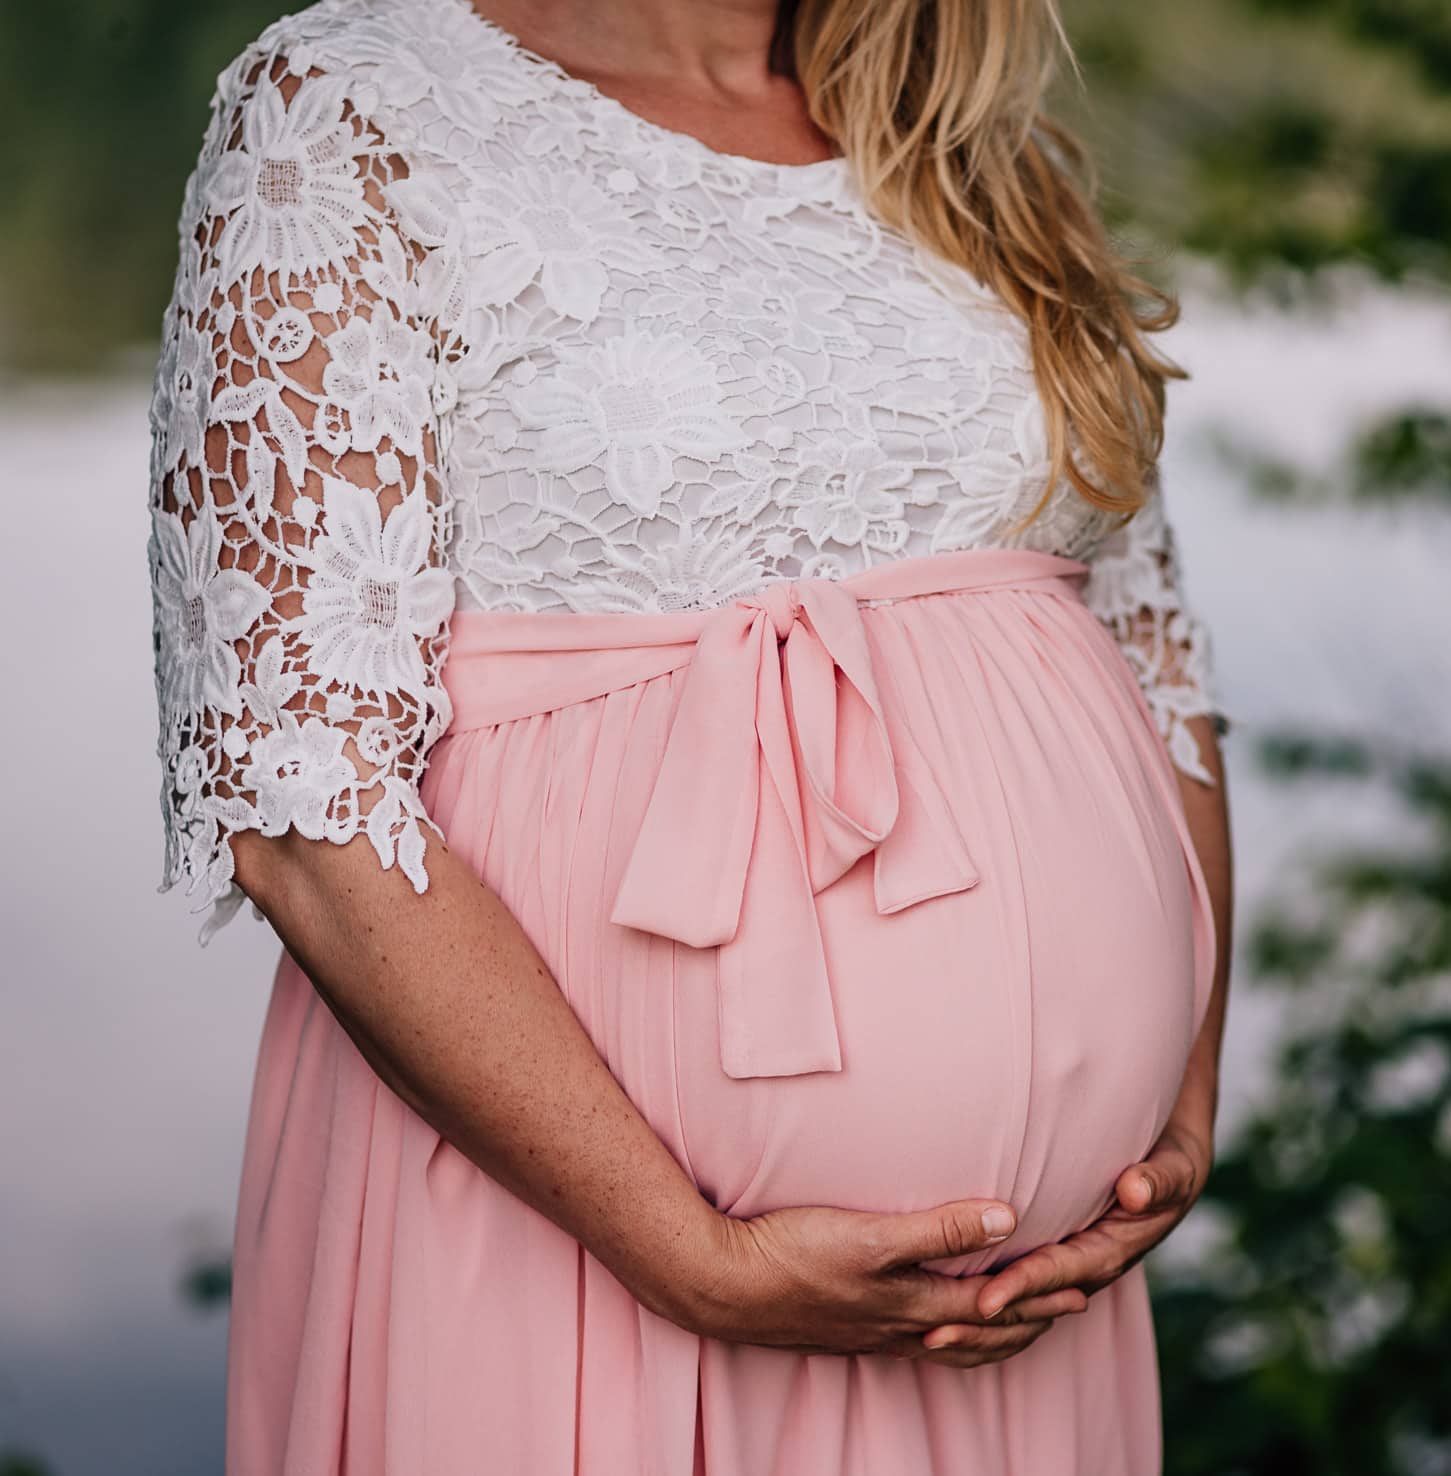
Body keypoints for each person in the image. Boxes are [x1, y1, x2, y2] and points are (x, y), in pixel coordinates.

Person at [145, 0, 1236, 1469]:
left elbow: (1152, 654)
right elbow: (300, 797)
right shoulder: (355, 106)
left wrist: (1179, 1100)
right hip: (576, 1256)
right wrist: (680, 1251)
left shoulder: (973, 149)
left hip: (1027, 1327)